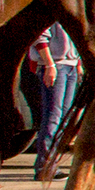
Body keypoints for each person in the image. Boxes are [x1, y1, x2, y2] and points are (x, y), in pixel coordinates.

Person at [28, 24, 80, 180]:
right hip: (55, 64)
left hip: (70, 64)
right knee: (53, 115)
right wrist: (49, 65)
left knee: (64, 118)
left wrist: (77, 63)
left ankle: (53, 163)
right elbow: (39, 36)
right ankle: (44, 166)